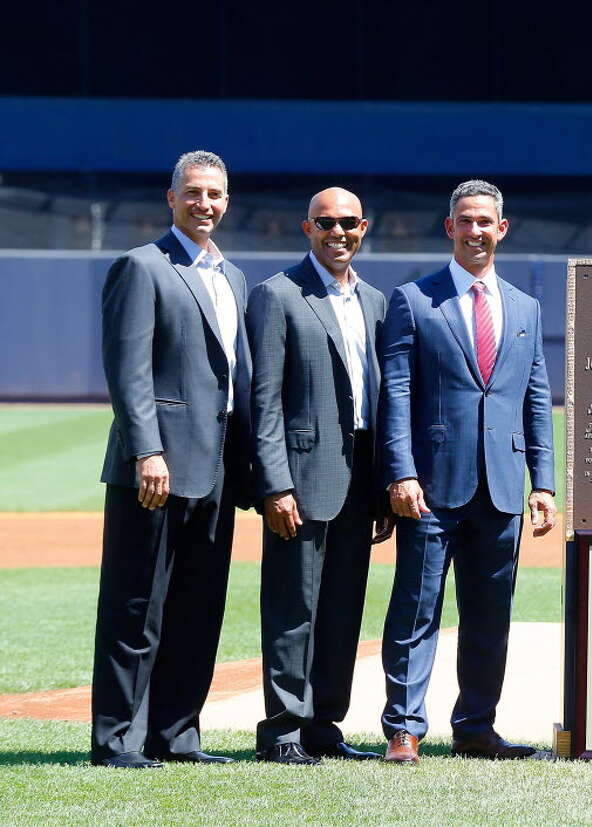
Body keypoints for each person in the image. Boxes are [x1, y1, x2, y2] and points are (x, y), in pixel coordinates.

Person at [377, 180, 556, 763]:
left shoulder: (525, 307)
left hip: (501, 489)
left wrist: (544, 483)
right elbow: (397, 393)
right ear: (448, 227)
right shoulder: (413, 300)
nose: (476, 231)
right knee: (416, 608)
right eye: (465, 221)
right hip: (431, 487)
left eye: (486, 222)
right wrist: (400, 473)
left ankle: (476, 726)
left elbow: (535, 398)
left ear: (502, 229)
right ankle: (405, 728)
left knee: (489, 615)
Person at [91, 150, 251, 768]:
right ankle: (116, 741)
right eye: (193, 193)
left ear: (226, 201)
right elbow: (127, 371)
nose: (204, 204)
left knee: (197, 608)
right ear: (172, 197)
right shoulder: (142, 266)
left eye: (214, 194)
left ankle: (177, 736)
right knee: (136, 606)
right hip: (154, 471)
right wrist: (147, 451)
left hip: (215, 470)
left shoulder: (233, 278)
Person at [247, 188, 394, 765]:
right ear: (307, 229)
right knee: (292, 605)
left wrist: (384, 482)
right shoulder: (278, 295)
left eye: (349, 223)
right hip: (302, 475)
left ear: (364, 228)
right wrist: (274, 484)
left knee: (342, 606)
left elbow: (381, 400)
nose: (338, 232)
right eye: (326, 223)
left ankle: (324, 726)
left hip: (361, 474)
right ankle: (283, 727)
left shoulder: (377, 302)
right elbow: (264, 403)